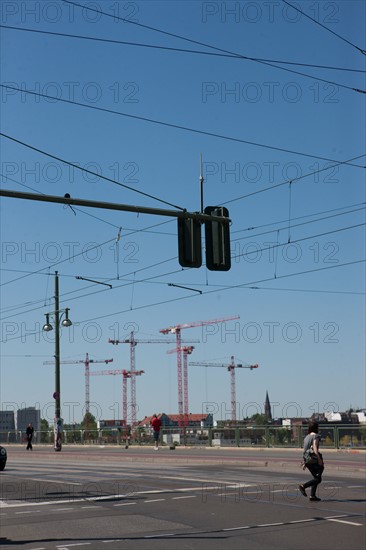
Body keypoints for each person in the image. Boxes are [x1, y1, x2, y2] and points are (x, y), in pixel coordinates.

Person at [299, 422, 324, 502]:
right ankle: (303, 486)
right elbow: (315, 448)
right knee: (318, 478)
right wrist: (319, 459)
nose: (319, 428)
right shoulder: (316, 436)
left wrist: (305, 462)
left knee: (316, 477)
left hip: (307, 458)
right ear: (316, 428)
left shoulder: (306, 437)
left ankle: (312, 495)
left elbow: (305, 450)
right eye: (318, 427)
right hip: (313, 458)